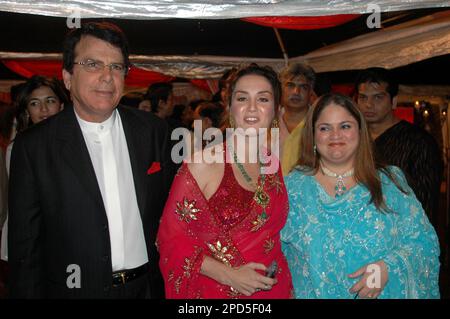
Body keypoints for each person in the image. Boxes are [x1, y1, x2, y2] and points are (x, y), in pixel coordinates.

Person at [8, 22, 173, 298]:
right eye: (93, 64)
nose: (107, 76)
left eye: (117, 67)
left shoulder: (154, 131)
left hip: (147, 288)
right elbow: (25, 251)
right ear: (68, 77)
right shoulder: (34, 147)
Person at [281, 93, 440, 299]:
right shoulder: (292, 189)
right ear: (313, 136)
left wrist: (388, 268)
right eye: (325, 128)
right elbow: (270, 252)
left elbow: (424, 243)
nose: (335, 135)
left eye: (345, 126)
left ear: (360, 132)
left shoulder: (389, 183)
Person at [157, 64, 293, 299]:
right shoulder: (203, 164)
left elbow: (272, 237)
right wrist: (229, 275)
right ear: (230, 108)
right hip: (217, 291)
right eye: (242, 98)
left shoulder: (272, 163)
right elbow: (169, 240)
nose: (252, 108)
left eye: (263, 99)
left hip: (273, 290)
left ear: (276, 110)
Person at [355, 67, 443, 223]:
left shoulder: (419, 142)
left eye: (377, 97)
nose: (368, 104)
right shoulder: (352, 137)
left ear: (393, 101)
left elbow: (426, 204)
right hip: (357, 232)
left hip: (400, 235)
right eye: (363, 97)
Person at [1, 76, 68, 263]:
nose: (44, 109)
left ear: (62, 106)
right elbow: (21, 202)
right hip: (40, 238)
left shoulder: (76, 144)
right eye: (35, 103)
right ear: (27, 111)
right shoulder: (19, 148)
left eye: (50, 101)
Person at [278, 63, 316, 176]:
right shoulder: (267, 122)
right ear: (281, 89)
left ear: (311, 93)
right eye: (290, 85)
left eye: (303, 87)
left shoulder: (319, 125)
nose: (296, 92)